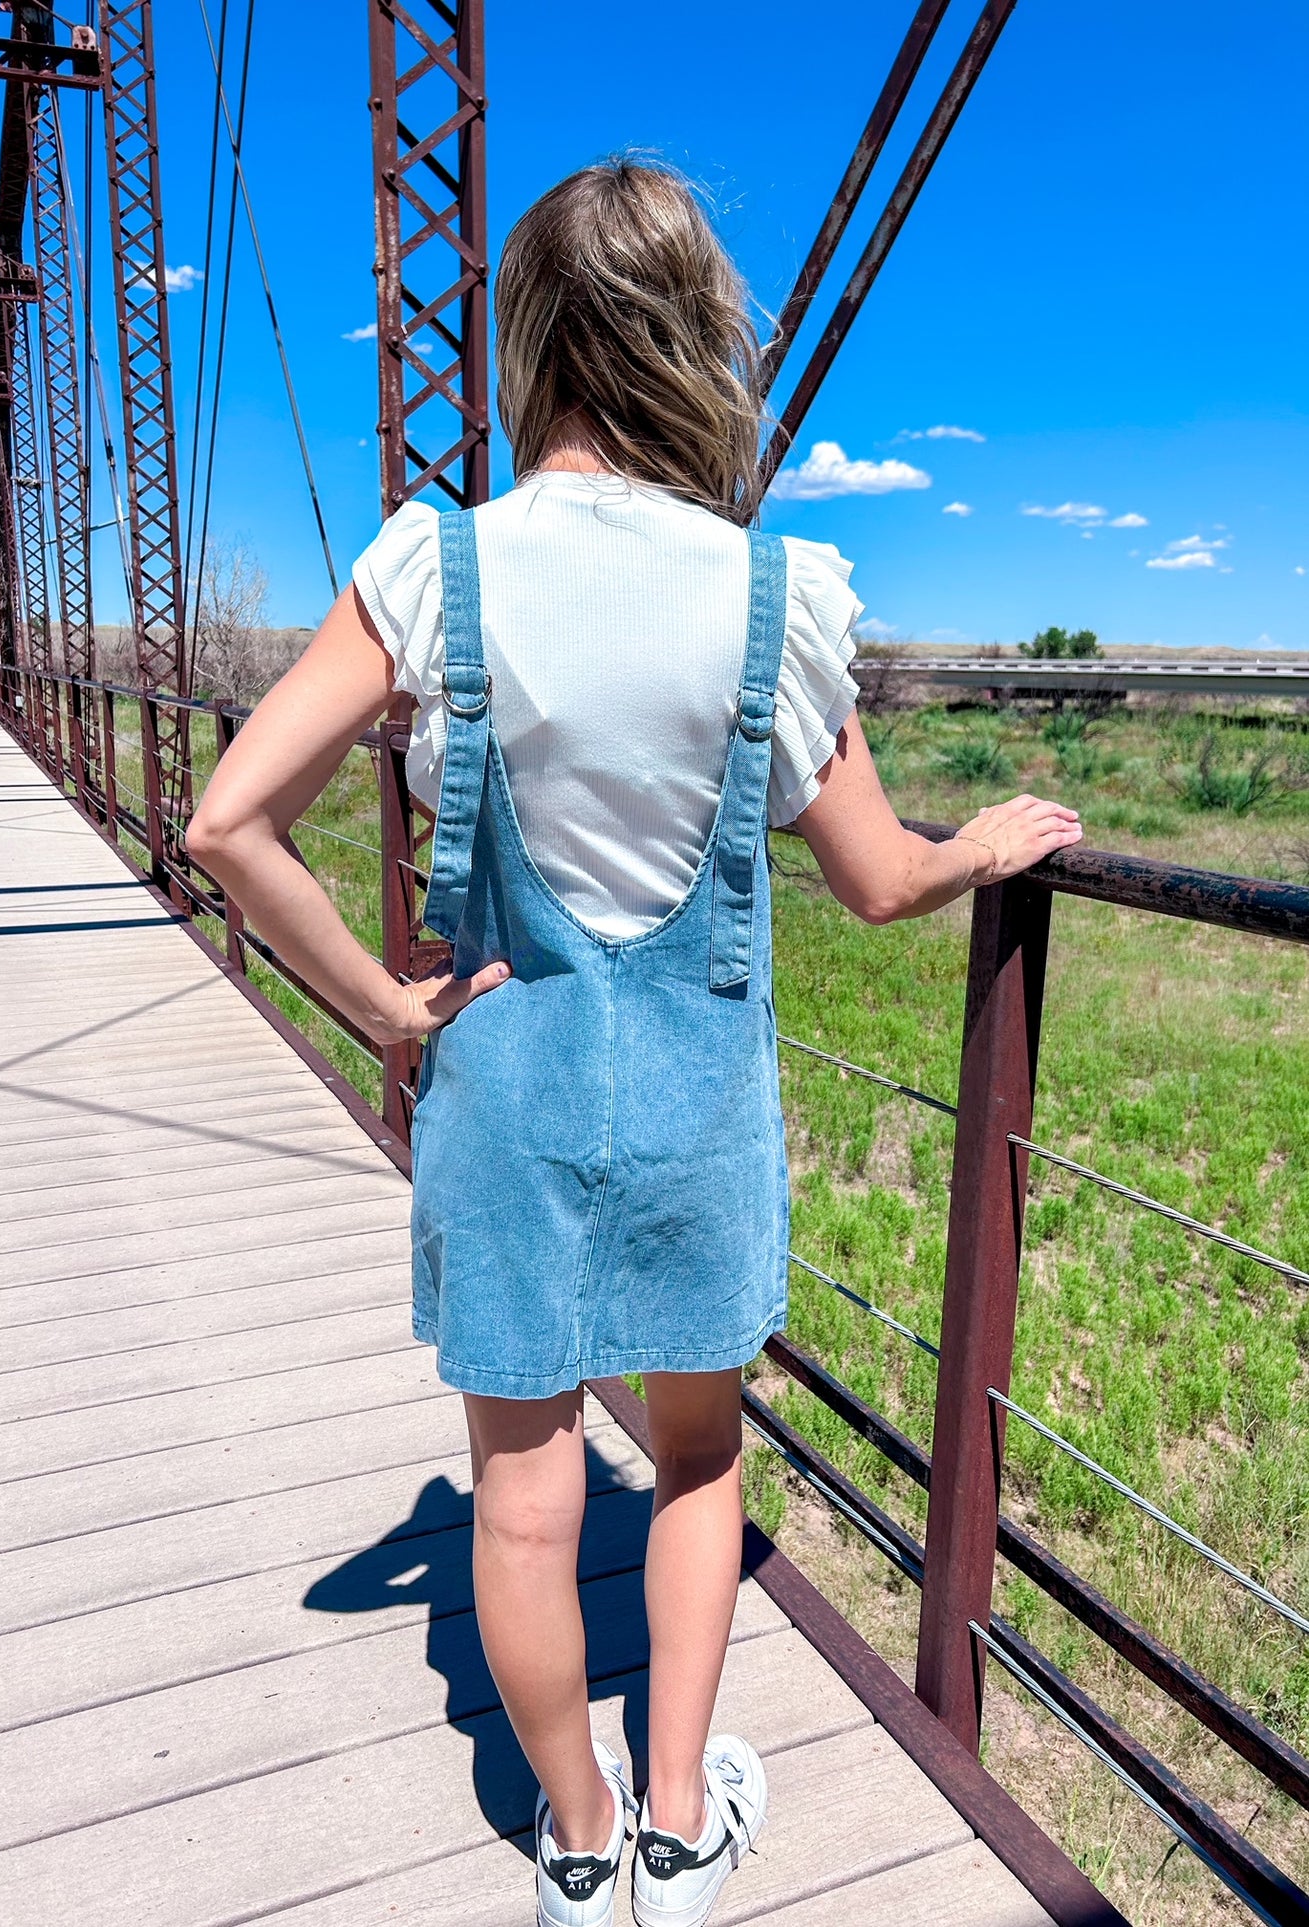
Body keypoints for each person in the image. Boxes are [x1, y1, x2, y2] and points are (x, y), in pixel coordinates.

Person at [186, 157, 1082, 1927]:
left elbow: (226, 825)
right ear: (697, 341)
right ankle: (683, 1825)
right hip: (698, 1096)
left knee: (516, 1501)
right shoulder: (771, 592)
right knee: (694, 1457)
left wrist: (385, 1007)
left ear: (531, 340)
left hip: (501, 1088)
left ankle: (577, 1846)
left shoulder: (428, 570)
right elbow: (882, 880)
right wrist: (981, 847)